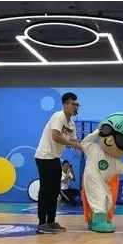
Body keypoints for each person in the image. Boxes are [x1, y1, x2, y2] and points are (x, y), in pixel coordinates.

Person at [34, 92, 82, 234]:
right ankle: (42, 224)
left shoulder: (71, 124)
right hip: (44, 157)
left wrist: (86, 145)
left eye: (77, 105)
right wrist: (73, 144)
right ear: (65, 105)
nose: (76, 107)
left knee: (55, 191)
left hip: (54, 158)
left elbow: (74, 142)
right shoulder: (58, 116)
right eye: (73, 104)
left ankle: (51, 221)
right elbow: (55, 136)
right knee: (46, 191)